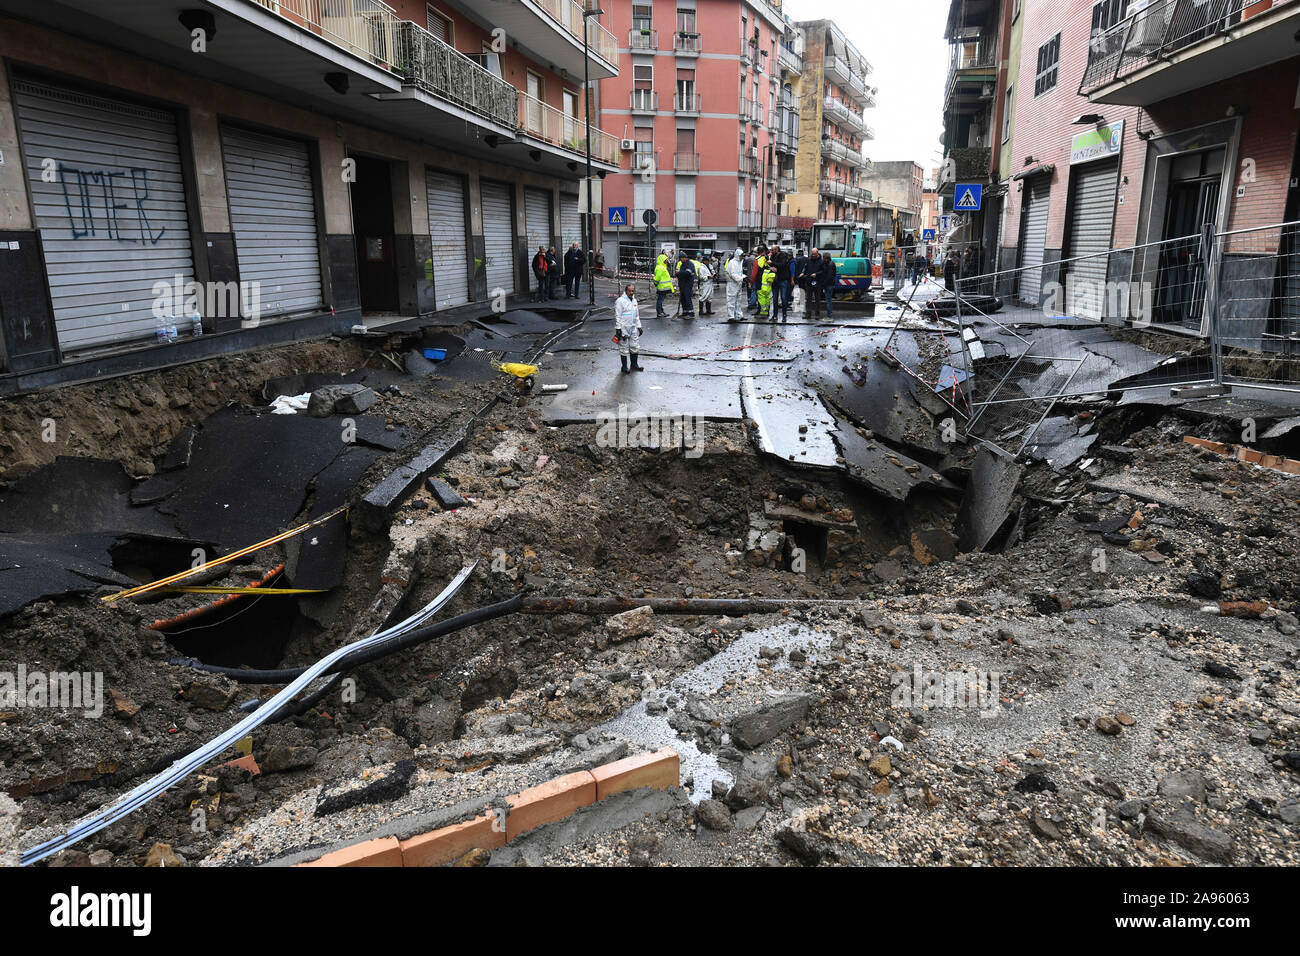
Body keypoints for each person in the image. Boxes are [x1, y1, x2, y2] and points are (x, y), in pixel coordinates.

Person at [614, 283, 643, 373]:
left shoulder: (634, 301)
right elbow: (617, 315)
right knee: (623, 348)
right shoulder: (620, 301)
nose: (631, 292)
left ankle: (634, 365)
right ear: (626, 291)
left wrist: (639, 326)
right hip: (623, 328)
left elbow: (636, 315)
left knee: (635, 346)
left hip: (633, 327)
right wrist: (618, 328)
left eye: (632, 291)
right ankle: (624, 367)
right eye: (629, 291)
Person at [771, 245, 792, 321]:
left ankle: (784, 315)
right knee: (775, 299)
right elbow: (771, 265)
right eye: (771, 250)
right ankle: (775, 315)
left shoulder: (783, 255)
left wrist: (773, 264)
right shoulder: (772, 256)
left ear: (777, 249)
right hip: (775, 280)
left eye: (773, 250)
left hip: (783, 279)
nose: (772, 251)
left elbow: (782, 265)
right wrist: (771, 267)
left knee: (783, 298)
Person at [725, 247, 745, 322]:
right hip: (732, 284)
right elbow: (733, 274)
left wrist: (743, 277)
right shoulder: (732, 262)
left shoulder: (739, 262)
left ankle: (739, 315)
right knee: (731, 300)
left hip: (738, 283)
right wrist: (742, 278)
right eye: (741, 256)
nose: (742, 258)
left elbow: (739, 273)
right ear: (737, 255)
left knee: (738, 300)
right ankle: (731, 316)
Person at [653, 252, 675, 318]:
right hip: (662, 287)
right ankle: (660, 312)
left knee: (661, 300)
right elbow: (657, 278)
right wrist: (656, 284)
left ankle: (661, 311)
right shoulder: (660, 267)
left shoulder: (662, 267)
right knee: (660, 300)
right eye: (665, 260)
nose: (666, 262)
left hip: (663, 287)